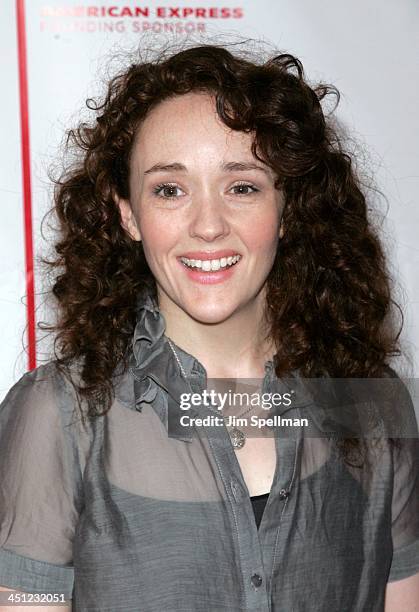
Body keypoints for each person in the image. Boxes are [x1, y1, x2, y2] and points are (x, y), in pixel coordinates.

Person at [0, 42, 418, 611]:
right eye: (169, 189)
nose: (208, 225)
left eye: (241, 186)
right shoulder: (58, 416)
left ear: (287, 207)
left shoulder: (374, 406)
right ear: (128, 214)